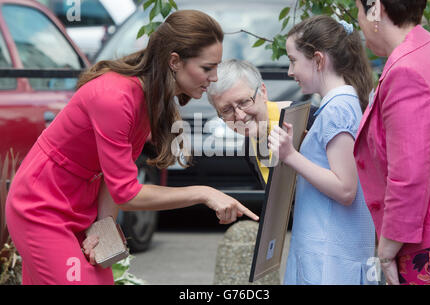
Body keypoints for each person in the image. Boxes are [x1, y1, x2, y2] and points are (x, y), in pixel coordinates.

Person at [5, 10, 258, 285]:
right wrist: (203, 193)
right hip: (41, 207)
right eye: (207, 68)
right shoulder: (115, 98)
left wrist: (103, 229)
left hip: (80, 205)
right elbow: (126, 193)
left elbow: (113, 177)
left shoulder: (149, 96)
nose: (214, 77)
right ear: (174, 61)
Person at [268, 15, 376, 284]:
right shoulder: (344, 104)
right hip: (330, 256)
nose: (290, 72)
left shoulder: (338, 108)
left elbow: (345, 188)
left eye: (293, 61)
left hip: (328, 260)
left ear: (318, 60)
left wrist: (290, 155)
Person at [353, 0, 430, 285]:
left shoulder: (406, 70)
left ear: (375, 9)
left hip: (428, 245)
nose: (359, 21)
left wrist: (386, 249)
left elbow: (409, 174)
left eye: (359, 10)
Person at [207, 59, 317, 187]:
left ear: (263, 92)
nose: (240, 116)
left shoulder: (308, 119)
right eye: (226, 110)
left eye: (244, 102)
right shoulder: (249, 146)